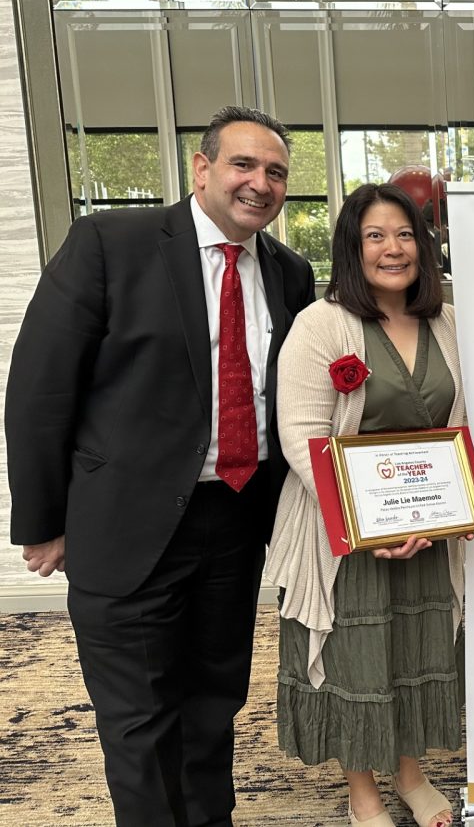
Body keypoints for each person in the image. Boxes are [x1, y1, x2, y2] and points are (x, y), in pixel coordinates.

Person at [6, 106, 316, 825]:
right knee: (140, 720)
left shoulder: (289, 272)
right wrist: (43, 521)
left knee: (213, 703)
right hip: (126, 525)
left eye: (276, 172)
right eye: (243, 164)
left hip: (237, 521)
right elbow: (40, 390)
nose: (260, 183)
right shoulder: (111, 244)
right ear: (201, 169)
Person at [264, 182, 473, 827]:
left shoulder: (447, 320)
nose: (393, 248)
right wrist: (362, 525)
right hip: (344, 534)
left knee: (417, 647)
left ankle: (411, 774)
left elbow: (462, 421)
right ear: (353, 249)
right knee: (358, 657)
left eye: (406, 234)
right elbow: (301, 435)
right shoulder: (322, 323)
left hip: (428, 528)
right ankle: (363, 791)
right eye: (375, 236)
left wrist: (449, 510)